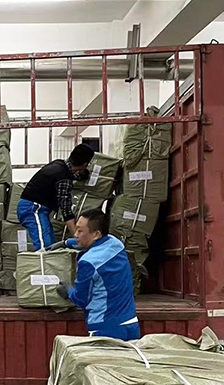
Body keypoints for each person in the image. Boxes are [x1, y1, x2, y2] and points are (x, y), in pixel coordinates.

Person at [50, 208, 140, 341]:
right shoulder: (116, 244)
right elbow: (88, 242)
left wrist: (68, 290)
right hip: (131, 323)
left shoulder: (88, 262)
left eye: (80, 231)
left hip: (105, 329)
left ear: (96, 234)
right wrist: (66, 243)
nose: (75, 234)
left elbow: (81, 299)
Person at [17, 144, 95, 251]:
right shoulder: (63, 178)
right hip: (33, 209)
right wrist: (78, 237)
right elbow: (66, 211)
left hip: (36, 208)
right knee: (44, 248)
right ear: (85, 164)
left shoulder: (59, 164)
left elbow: (66, 176)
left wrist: (82, 175)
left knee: (51, 245)